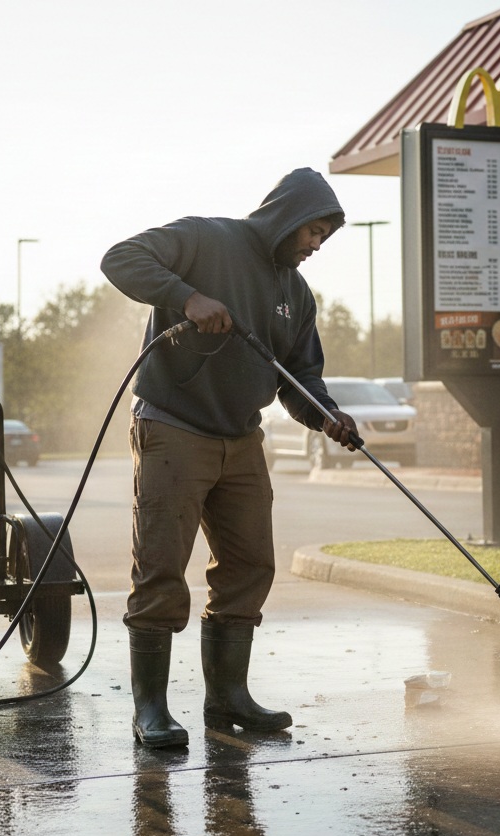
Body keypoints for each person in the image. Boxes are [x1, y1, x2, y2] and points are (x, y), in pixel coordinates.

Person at [101, 168, 357, 749]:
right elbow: (120, 258)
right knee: (162, 567)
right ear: (288, 216)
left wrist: (326, 414)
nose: (316, 245)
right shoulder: (205, 237)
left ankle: (228, 698)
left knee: (249, 565)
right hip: (173, 425)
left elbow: (301, 377)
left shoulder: (297, 295)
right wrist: (186, 297)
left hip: (242, 438)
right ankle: (151, 710)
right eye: (313, 231)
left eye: (324, 237)